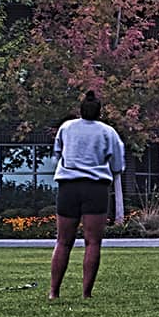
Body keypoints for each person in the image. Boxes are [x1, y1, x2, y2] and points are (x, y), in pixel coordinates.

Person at [48, 89, 127, 302]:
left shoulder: (66, 128)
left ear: (80, 110)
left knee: (63, 241)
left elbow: (57, 153)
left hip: (68, 187)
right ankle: (86, 293)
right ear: (100, 112)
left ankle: (54, 292)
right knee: (93, 242)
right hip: (96, 188)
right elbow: (118, 164)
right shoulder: (108, 132)